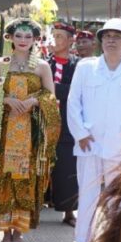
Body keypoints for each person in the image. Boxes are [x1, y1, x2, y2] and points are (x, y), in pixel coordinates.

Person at [0, 18, 59, 242]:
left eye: (28, 37)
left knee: (25, 181)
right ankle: (5, 232)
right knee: (5, 180)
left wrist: (34, 100)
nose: (23, 40)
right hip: (4, 133)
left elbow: (51, 98)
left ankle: (19, 233)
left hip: (31, 135)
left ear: (35, 40)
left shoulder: (42, 66)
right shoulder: (0, 65)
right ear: (9, 38)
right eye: (18, 36)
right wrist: (6, 99)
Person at [66, 18, 121, 242]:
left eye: (117, 36)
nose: (111, 40)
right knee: (87, 193)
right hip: (89, 141)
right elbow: (73, 103)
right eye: (107, 36)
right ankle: (82, 240)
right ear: (101, 40)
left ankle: (117, 241)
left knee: (119, 196)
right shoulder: (86, 67)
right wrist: (80, 133)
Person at [47, 21, 79, 226]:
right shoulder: (44, 62)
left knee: (68, 166)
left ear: (70, 41)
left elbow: (77, 92)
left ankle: (69, 211)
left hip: (68, 123)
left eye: (60, 36)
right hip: (45, 120)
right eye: (54, 35)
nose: (56, 40)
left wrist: (54, 88)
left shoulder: (78, 65)